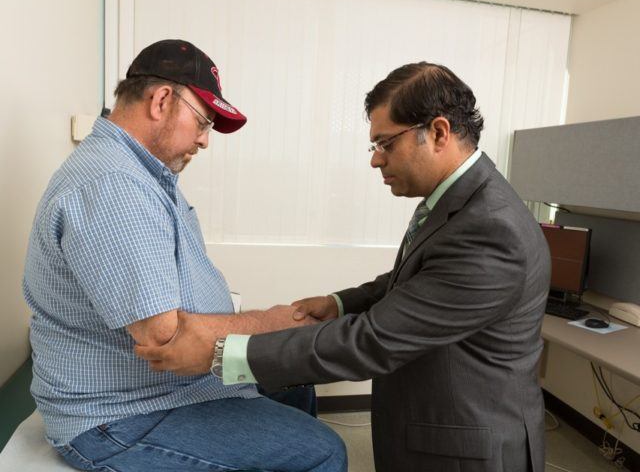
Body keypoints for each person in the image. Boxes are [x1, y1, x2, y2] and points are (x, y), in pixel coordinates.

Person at [137, 62, 552, 472]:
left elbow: (372, 343)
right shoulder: (458, 198)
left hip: (466, 447)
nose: (375, 160)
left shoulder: (491, 229)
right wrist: (339, 303)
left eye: (385, 143)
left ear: (439, 133)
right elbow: (417, 279)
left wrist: (220, 352)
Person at [22, 39, 346, 472]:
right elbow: (164, 339)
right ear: (160, 100)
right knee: (324, 450)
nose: (205, 141)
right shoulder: (112, 185)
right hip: (119, 417)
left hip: (164, 391)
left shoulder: (144, 176)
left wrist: (270, 331)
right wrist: (273, 321)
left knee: (293, 381)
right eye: (203, 122)